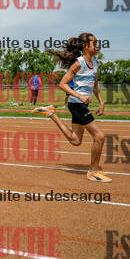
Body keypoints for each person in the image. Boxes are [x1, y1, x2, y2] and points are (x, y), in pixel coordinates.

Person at [32, 33, 111, 183]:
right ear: (85, 46)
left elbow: (95, 86)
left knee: (75, 140)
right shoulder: (78, 63)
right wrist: (79, 96)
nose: (97, 45)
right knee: (100, 137)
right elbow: (62, 84)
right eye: (94, 43)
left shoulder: (95, 63)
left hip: (82, 104)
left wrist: (101, 102)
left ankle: (51, 113)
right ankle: (93, 171)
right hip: (76, 103)